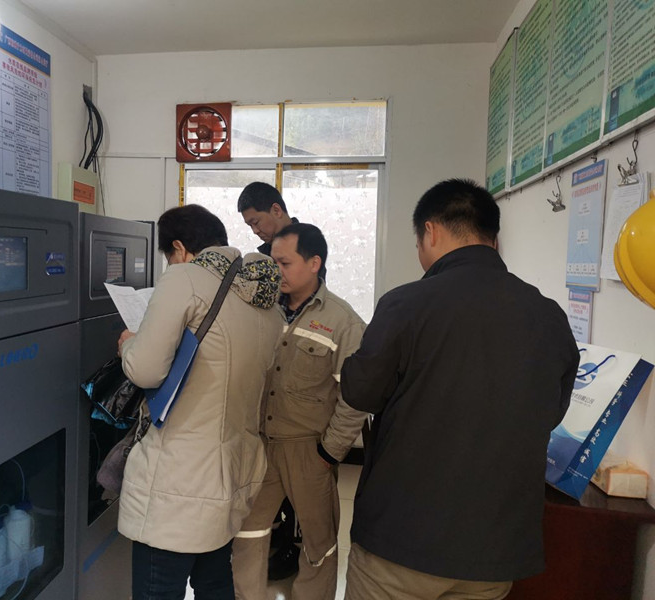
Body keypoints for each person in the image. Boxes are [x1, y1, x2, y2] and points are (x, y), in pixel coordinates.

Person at [340, 179, 580, 600]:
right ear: (493, 238)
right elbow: (550, 412)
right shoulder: (549, 316)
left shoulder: (406, 304)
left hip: (402, 542)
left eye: (418, 243)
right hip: (494, 550)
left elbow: (361, 392)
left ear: (431, 232)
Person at [117, 204, 284, 599]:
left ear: (179, 248)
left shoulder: (185, 278)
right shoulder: (264, 302)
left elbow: (145, 371)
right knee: (214, 583)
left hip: (179, 482)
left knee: (159, 589)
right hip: (230, 474)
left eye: (168, 256)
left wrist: (128, 344)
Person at [232, 223, 367, 600]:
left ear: (314, 263)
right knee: (247, 533)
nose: (276, 271)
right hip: (260, 445)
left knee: (318, 543)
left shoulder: (343, 322)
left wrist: (330, 452)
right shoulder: (261, 311)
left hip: (309, 450)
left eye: (285, 263)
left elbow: (355, 397)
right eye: (273, 262)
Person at [238, 181, 297, 257]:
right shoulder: (264, 258)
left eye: (256, 222)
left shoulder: (309, 247)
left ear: (276, 211)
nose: (255, 231)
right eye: (250, 225)